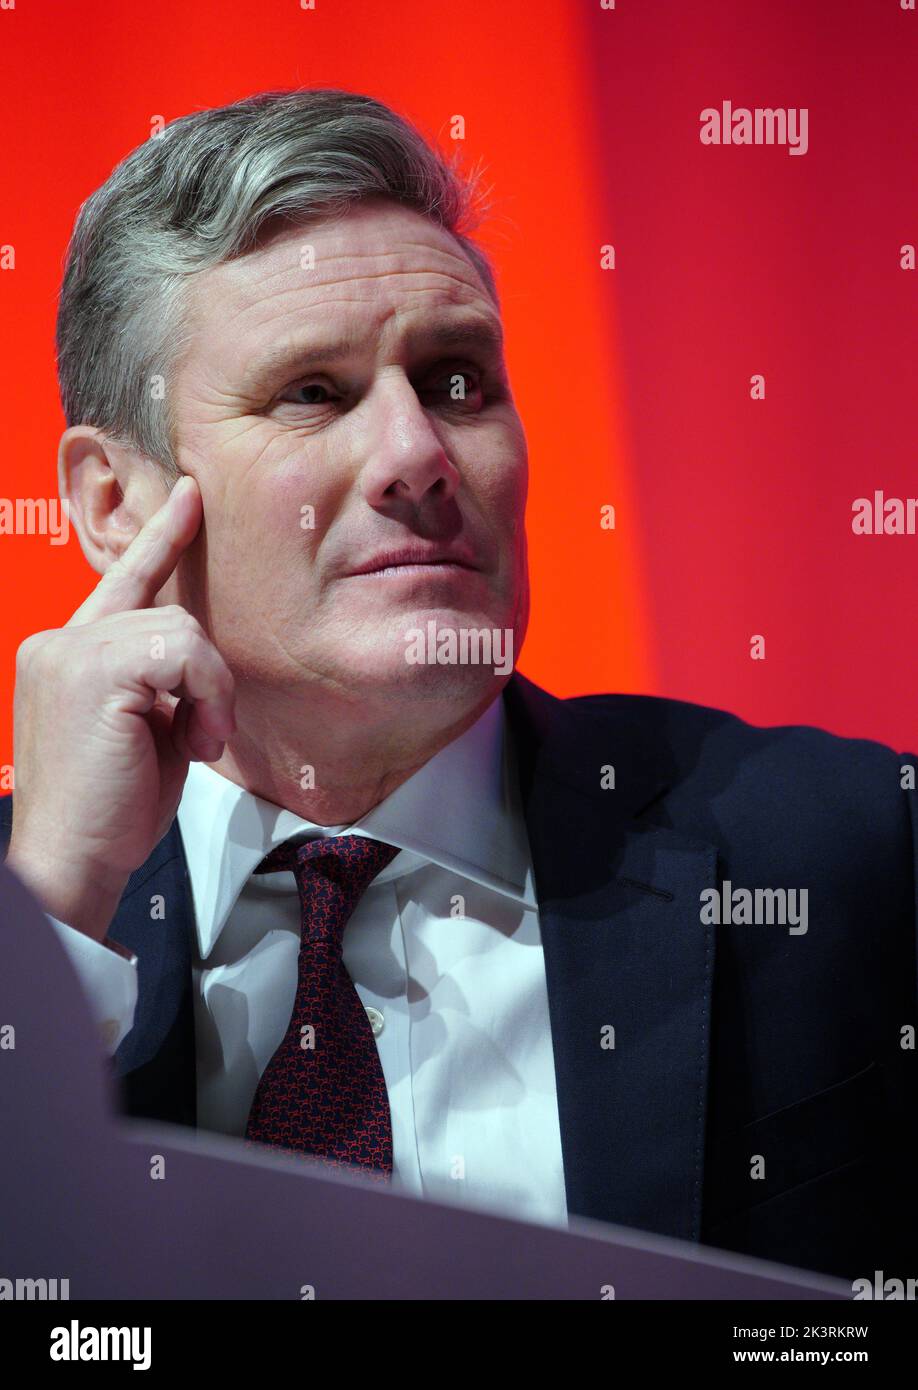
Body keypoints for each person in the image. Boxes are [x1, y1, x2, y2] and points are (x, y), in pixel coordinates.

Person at [1, 87, 915, 1283]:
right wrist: (53, 904)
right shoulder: (40, 903)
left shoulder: (851, 847)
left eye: (456, 382)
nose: (419, 456)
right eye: (313, 394)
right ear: (114, 503)